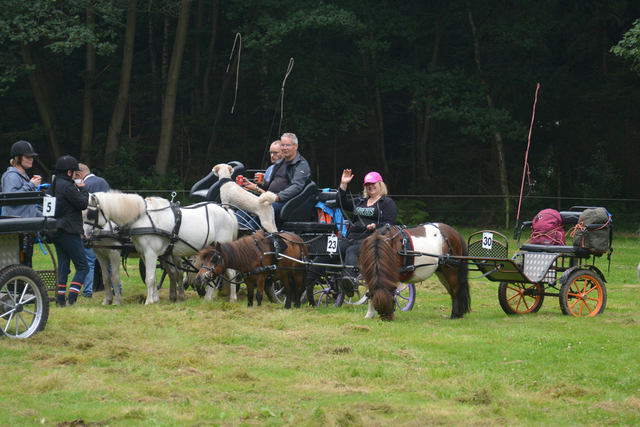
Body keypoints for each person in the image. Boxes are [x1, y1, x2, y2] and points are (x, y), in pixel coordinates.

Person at [309, 169, 398, 296]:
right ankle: (309, 278)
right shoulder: (360, 201)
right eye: (367, 184)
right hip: (352, 237)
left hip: (372, 239)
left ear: (380, 184)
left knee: (351, 250)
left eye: (373, 183)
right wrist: (343, 184)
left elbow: (390, 225)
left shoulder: (387, 203)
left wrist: (375, 226)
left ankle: (350, 282)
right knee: (331, 249)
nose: (370, 186)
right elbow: (341, 203)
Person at [49, 155, 90, 307]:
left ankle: (60, 300)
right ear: (68, 173)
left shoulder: (52, 185)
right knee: (83, 267)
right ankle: (71, 299)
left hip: (55, 230)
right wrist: (83, 188)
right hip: (69, 230)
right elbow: (83, 203)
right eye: (75, 172)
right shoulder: (68, 186)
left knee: (64, 266)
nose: (76, 175)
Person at [243, 132, 310, 221]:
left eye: (288, 145)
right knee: (245, 204)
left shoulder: (301, 165)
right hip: (269, 198)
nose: (284, 148)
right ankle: (238, 230)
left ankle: (249, 232)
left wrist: (278, 197)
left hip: (286, 201)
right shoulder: (279, 163)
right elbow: (271, 185)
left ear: (296, 146)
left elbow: (296, 186)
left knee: (263, 209)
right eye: (282, 145)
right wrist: (263, 183)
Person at [1, 141, 43, 267]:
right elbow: (11, 197)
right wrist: (31, 185)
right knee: (19, 265)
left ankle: (26, 285)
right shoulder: (11, 176)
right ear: (18, 159)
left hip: (25, 226)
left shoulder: (23, 176)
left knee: (26, 263)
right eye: (27, 157)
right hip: (17, 228)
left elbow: (27, 206)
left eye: (32, 157)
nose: (31, 160)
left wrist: (43, 216)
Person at [75, 163, 110, 298]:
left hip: (89, 227)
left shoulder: (83, 186)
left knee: (89, 260)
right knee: (110, 261)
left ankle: (88, 291)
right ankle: (114, 288)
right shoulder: (103, 182)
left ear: (79, 175)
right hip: (106, 228)